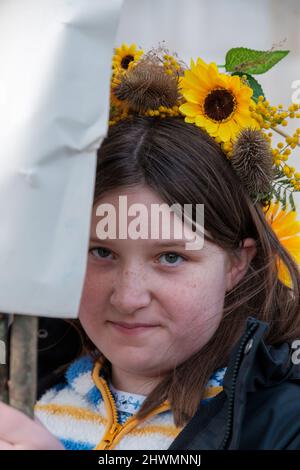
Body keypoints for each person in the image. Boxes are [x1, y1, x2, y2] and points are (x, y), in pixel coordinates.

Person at [1, 44, 300, 451]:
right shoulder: (23, 400)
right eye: (101, 252)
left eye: (170, 257)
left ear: (236, 263)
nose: (128, 297)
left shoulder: (283, 427)